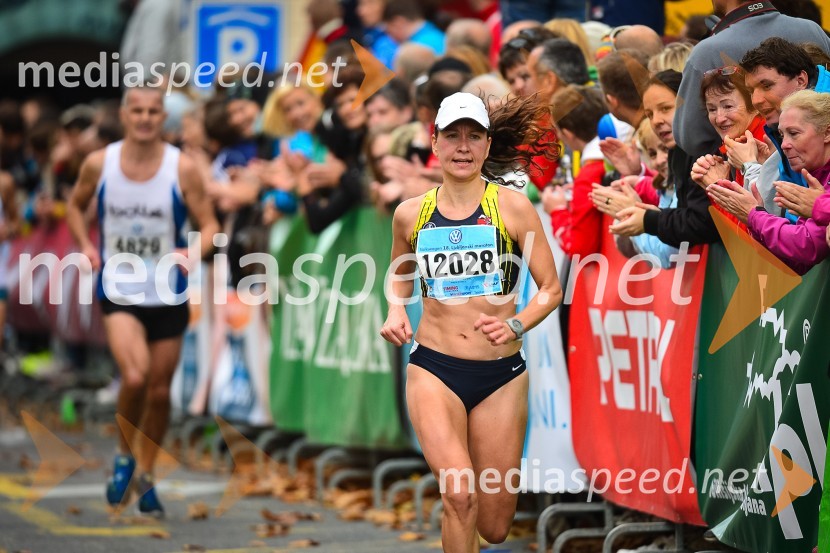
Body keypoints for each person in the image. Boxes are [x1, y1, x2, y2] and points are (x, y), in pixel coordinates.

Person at [380, 92, 562, 552]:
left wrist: (517, 325)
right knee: (459, 495)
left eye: (473, 136)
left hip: (501, 375)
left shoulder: (513, 207)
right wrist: (396, 309)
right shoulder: (411, 213)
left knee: (496, 525)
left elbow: (550, 289)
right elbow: (399, 274)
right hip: (434, 369)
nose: (463, 146)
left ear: (486, 144)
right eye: (453, 135)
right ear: (434, 142)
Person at [66, 85, 219, 516]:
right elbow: (75, 206)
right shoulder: (101, 163)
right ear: (125, 114)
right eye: (139, 111)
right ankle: (122, 457)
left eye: (155, 112)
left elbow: (210, 225)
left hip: (167, 289)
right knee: (134, 377)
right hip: (120, 286)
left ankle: (147, 473)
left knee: (158, 390)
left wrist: (193, 251)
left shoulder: (182, 167)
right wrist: (85, 245)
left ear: (162, 118)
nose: (147, 119)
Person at [673, 0, 830, 160]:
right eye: (749, 91)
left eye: (766, 85)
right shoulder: (813, 29)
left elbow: (690, 139)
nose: (756, 101)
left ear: (801, 79)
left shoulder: (706, 52)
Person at [706, 89, 830, 275]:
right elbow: (795, 263)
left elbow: (808, 245)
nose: (784, 144)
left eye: (794, 133)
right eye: (782, 135)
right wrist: (755, 218)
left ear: (827, 133)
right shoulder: (814, 176)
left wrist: (754, 216)